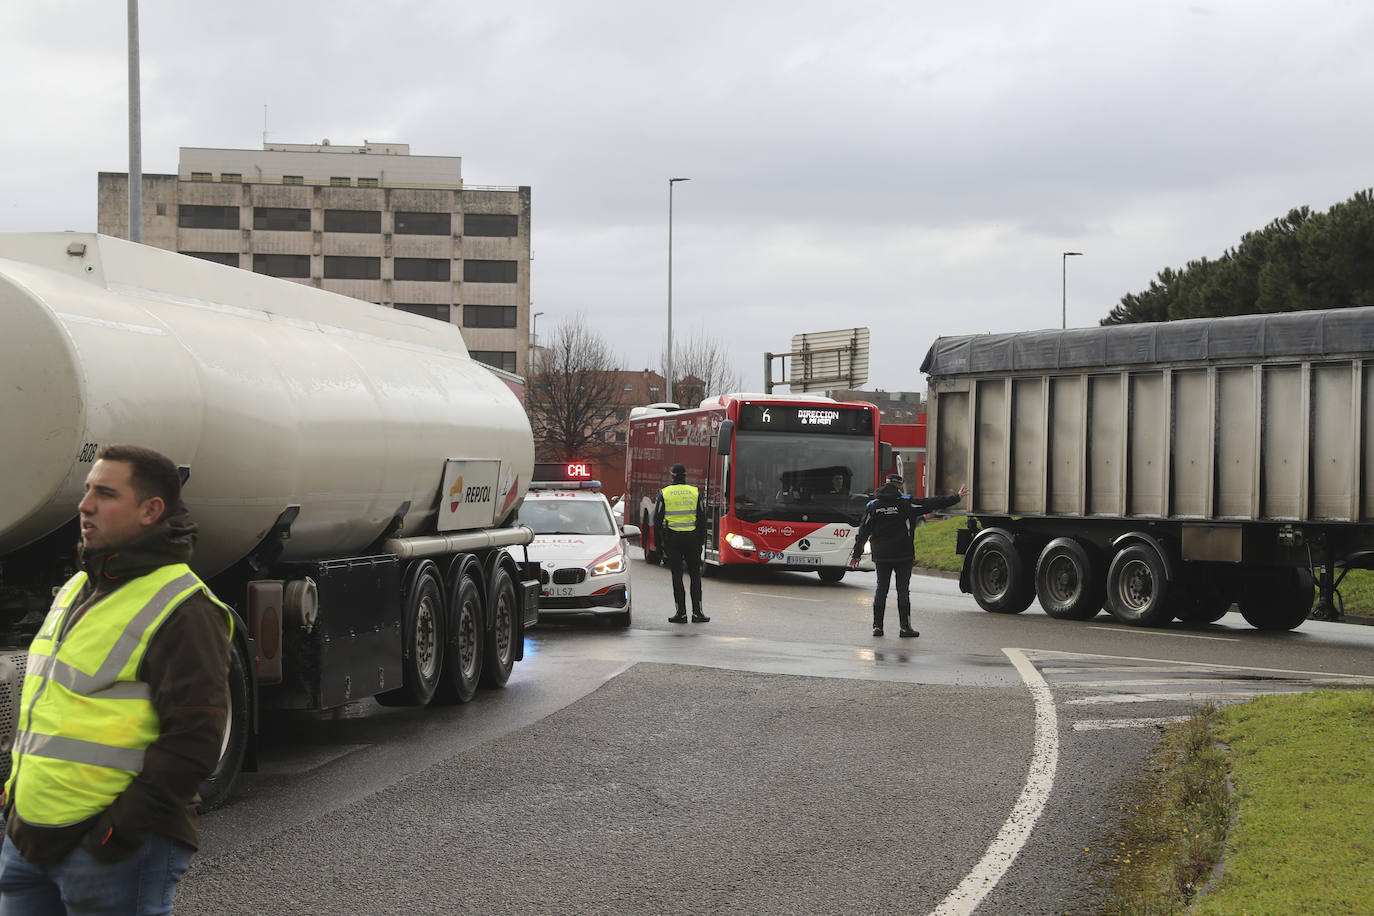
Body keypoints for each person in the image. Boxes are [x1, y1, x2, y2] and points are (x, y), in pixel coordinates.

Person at [0, 445, 233, 915]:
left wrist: (114, 833)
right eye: (88, 491)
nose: (85, 505)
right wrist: (15, 800)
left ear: (151, 510)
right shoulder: (76, 588)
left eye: (106, 494)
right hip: (29, 840)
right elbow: (52, 708)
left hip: (111, 850)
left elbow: (195, 740)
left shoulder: (186, 608)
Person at [848, 474, 968, 637]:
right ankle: (905, 628)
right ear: (900, 486)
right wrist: (956, 498)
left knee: (881, 589)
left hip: (882, 555)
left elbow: (863, 532)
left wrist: (857, 554)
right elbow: (930, 503)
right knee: (902, 590)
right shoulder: (906, 503)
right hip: (903, 555)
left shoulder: (873, 505)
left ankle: (877, 627)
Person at [654, 463, 709, 623]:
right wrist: (701, 541)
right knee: (695, 576)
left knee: (677, 576)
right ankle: (698, 613)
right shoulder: (694, 492)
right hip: (692, 539)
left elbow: (657, 521)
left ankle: (681, 613)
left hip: (673, 540)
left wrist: (659, 546)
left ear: (672, 476)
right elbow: (702, 518)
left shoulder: (665, 493)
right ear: (685, 476)